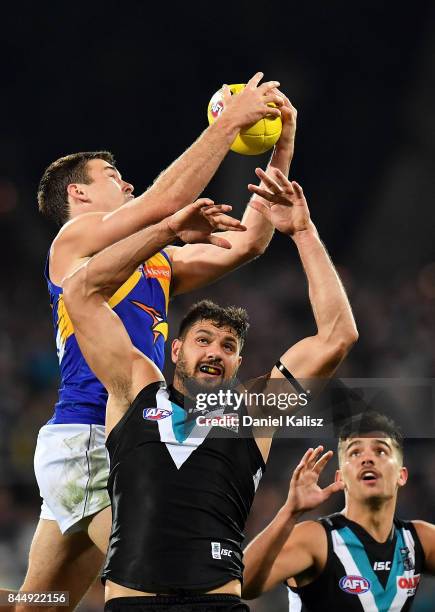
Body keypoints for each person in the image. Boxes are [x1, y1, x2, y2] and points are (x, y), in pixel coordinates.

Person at [20, 75, 297, 610]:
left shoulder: (154, 259)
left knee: (39, 604)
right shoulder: (72, 240)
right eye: (113, 177)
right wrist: (230, 122)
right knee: (161, 573)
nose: (126, 185)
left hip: (113, 438)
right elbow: (165, 200)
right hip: (92, 437)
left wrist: (282, 142)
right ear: (78, 193)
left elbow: (249, 242)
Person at [62, 167, 358, 610]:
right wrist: (165, 232)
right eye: (204, 340)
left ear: (239, 362)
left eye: (228, 346)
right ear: (177, 349)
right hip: (132, 604)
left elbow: (337, 336)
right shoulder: (134, 388)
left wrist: (302, 230)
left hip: (216, 603)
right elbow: (80, 293)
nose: (216, 352)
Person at [242, 411, 435, 611]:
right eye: (355, 452)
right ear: (340, 478)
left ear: (401, 476)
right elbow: (242, 585)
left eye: (380, 451)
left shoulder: (418, 540)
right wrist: (289, 512)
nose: (367, 459)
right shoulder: (317, 539)